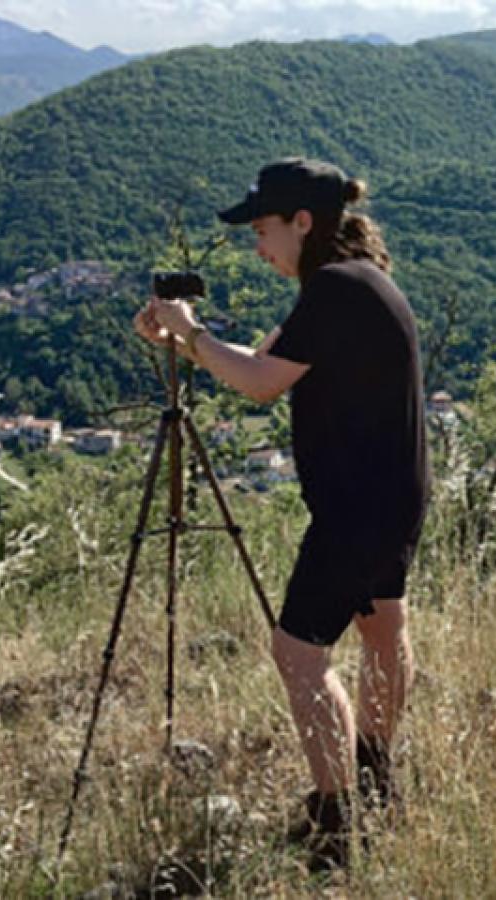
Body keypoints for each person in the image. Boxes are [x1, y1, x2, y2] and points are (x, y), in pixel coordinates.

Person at [134, 157, 430, 868]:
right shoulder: (357, 281)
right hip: (394, 495)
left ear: (304, 222)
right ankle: (375, 777)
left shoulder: (331, 289)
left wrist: (194, 338)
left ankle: (337, 825)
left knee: (298, 653)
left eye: (263, 229)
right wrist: (185, 337)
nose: (258, 246)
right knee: (382, 631)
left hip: (354, 506)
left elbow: (262, 384)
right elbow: (266, 356)